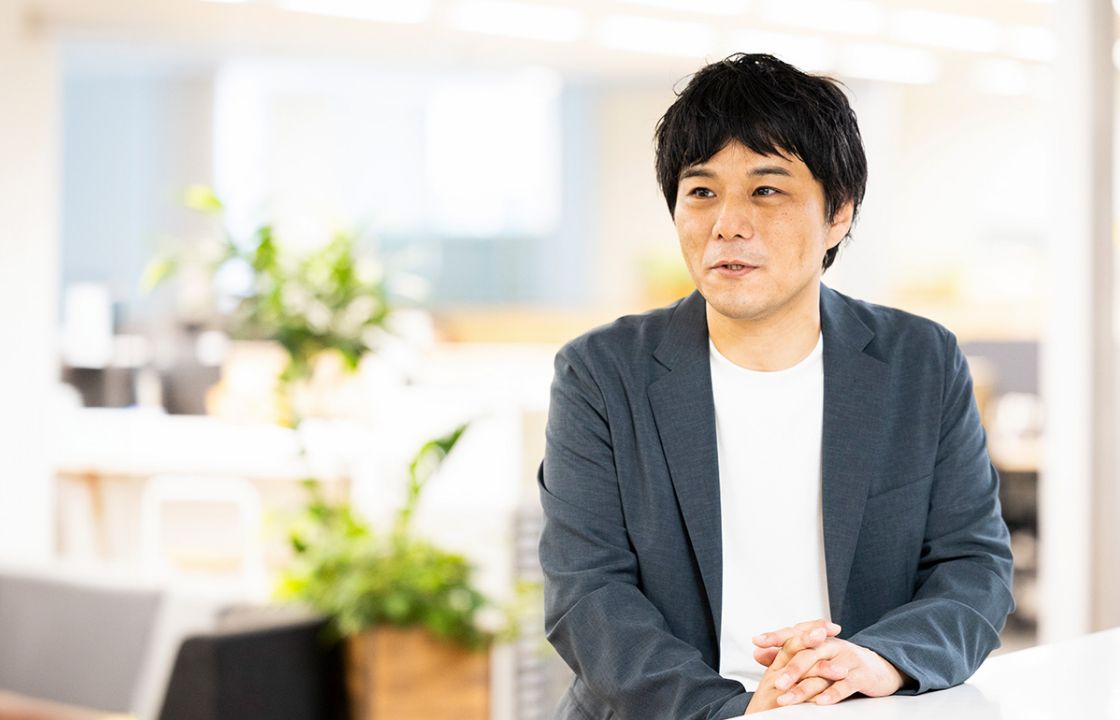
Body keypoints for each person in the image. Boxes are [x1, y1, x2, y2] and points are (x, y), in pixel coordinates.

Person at [537, 53, 1015, 719]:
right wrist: (730, 712)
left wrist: (874, 661)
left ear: (838, 214)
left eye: (766, 190)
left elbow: (973, 568)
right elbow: (587, 595)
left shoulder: (920, 362)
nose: (727, 223)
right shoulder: (601, 371)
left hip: (852, 707)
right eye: (701, 192)